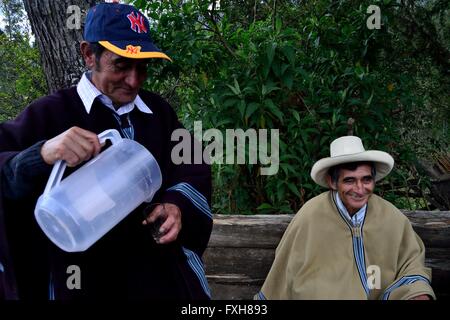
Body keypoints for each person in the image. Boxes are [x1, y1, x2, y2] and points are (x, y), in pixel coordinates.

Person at [0, 2, 212, 300]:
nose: (134, 80)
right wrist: (43, 153)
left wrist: (176, 205)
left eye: (142, 68)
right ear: (89, 54)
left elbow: (192, 163)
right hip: (82, 280)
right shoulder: (49, 115)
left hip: (156, 278)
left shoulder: (159, 113)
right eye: (121, 65)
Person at [255, 136, 435, 300]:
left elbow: (411, 264)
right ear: (332, 182)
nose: (359, 189)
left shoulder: (391, 217)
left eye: (366, 179)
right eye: (349, 180)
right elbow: (283, 271)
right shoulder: (310, 215)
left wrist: (415, 293)